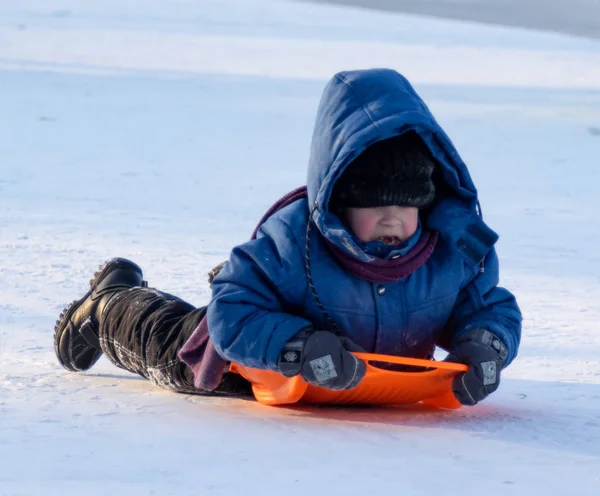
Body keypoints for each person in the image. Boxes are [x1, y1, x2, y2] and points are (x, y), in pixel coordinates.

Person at [53, 68, 522, 406]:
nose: (391, 220)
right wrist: (294, 346)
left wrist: (486, 346)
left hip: (380, 383)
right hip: (267, 365)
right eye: (373, 206)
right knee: (175, 352)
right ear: (338, 200)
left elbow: (489, 306)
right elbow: (233, 310)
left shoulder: (453, 248)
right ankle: (109, 304)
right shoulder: (292, 240)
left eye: (406, 205)